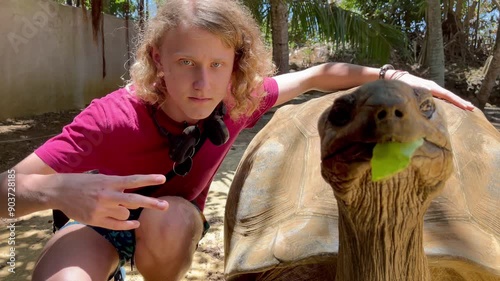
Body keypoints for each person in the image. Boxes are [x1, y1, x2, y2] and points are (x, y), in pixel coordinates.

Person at [0, 0, 474, 280]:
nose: (202, 83)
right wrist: (59, 191)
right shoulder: (111, 118)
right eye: (185, 62)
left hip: (168, 227)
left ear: (235, 66)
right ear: (157, 59)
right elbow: (8, 190)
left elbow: (315, 76)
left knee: (172, 220)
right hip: (98, 218)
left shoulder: (238, 101)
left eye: (217, 65)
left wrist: (397, 76)